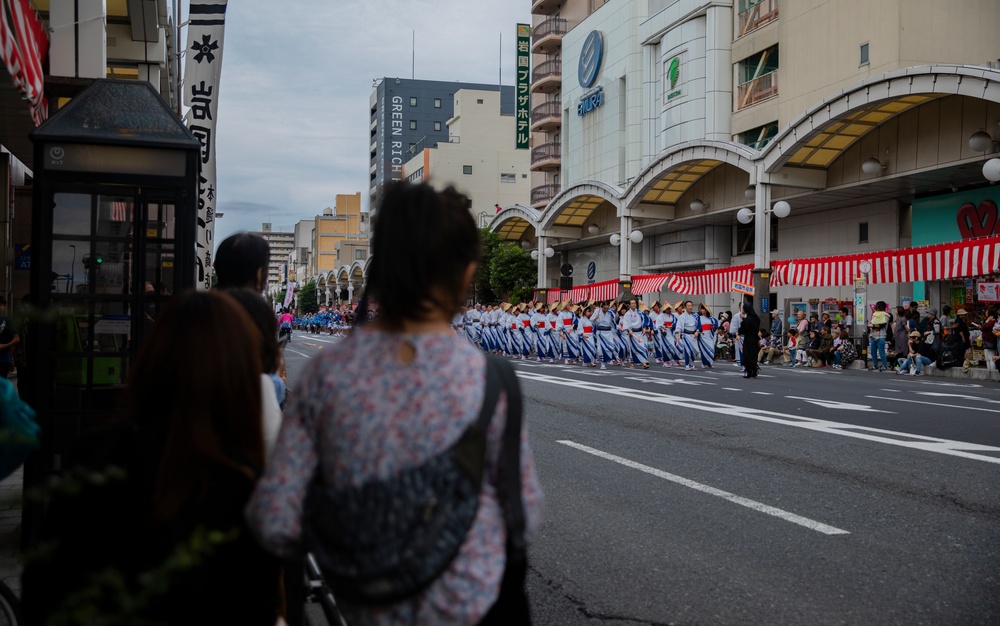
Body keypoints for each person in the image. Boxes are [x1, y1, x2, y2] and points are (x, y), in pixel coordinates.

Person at [245, 182, 542, 626]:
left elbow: (275, 517)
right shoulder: (489, 378)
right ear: (465, 274)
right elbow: (524, 511)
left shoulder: (329, 375)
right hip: (471, 609)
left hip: (369, 606)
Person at [22, 290, 283, 625]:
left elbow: (42, 586)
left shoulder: (94, 451)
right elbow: (256, 607)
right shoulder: (240, 479)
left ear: (153, 359)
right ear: (238, 374)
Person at [737, 302, 760, 378]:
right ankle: (754, 371)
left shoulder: (747, 320)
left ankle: (749, 372)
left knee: (747, 355)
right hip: (755, 338)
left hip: (748, 338)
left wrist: (743, 320)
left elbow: (742, 330)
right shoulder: (756, 318)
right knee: (753, 355)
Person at [867, 301, 891, 371]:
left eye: (877, 306)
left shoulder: (885, 315)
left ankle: (884, 365)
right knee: (872, 351)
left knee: (881, 352)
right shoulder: (875, 314)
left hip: (881, 335)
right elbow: (872, 323)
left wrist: (873, 325)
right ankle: (875, 365)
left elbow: (882, 325)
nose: (875, 307)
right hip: (873, 335)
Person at [0, 301, 19, 379]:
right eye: (2, 305)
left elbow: (16, 338)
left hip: (3, 359)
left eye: (3, 306)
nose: (2, 308)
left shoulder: (8, 321)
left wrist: (4, 346)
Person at [983, 307, 999, 371]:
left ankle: (992, 371)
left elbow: (985, 327)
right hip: (987, 341)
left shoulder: (993, 321)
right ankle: (989, 371)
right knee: (987, 357)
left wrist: (987, 321)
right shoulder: (992, 321)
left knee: (991, 357)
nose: (986, 313)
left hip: (990, 341)